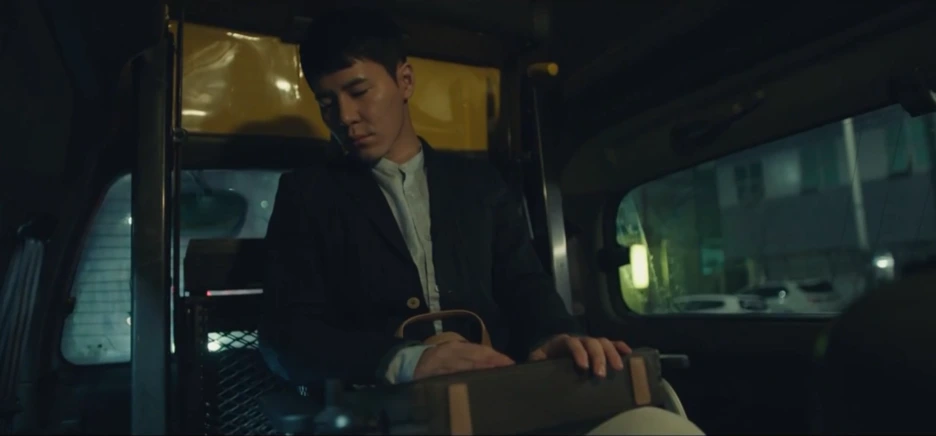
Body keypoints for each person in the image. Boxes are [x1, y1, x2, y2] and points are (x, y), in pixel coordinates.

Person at [259, 7, 631, 388]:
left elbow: (524, 284)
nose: (345, 116)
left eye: (359, 92)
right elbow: (284, 335)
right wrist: (404, 360)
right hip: (382, 406)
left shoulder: (480, 185)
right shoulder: (309, 196)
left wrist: (554, 335)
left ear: (404, 81)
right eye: (326, 103)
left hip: (495, 387)